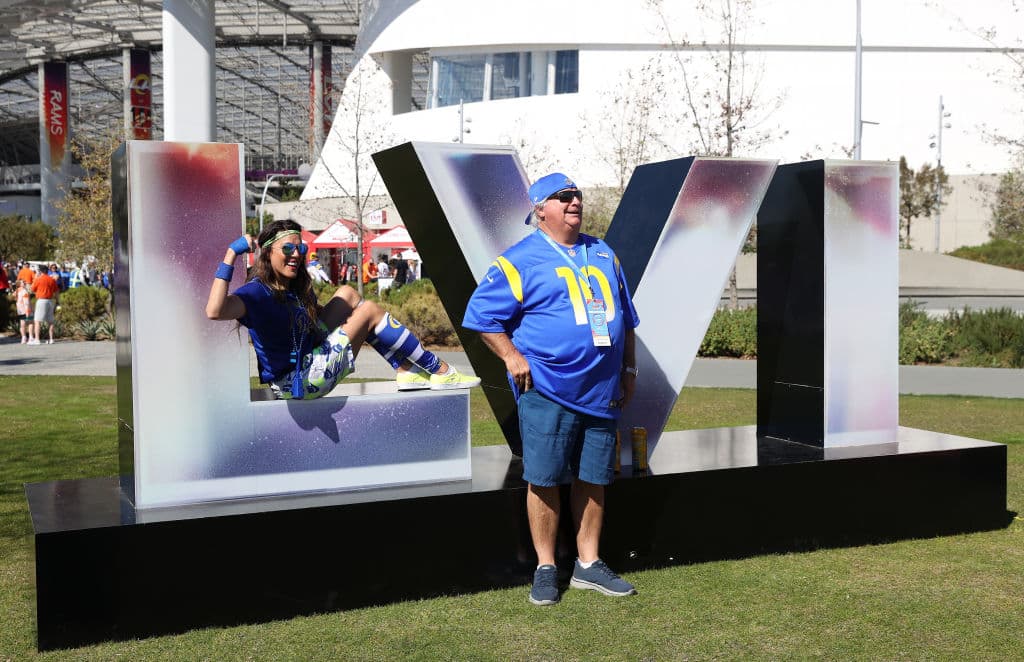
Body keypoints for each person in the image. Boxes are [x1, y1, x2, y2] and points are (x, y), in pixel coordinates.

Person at [463, 172, 640, 606]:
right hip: (548, 388)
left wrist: (629, 368)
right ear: (541, 209)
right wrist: (511, 356)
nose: (574, 201)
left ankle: (588, 563)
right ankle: (545, 567)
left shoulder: (602, 252)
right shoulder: (519, 259)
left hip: (601, 390)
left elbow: (626, 317)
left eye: (577, 194)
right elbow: (482, 317)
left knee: (593, 477)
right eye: (564, 197)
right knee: (543, 479)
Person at [206, 220, 480, 399]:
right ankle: (441, 370)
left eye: (300, 247)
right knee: (370, 311)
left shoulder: (296, 287)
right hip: (296, 383)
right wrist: (231, 254)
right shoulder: (256, 292)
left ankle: (405, 368)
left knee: (348, 294)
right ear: (267, 254)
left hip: (309, 359)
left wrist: (348, 322)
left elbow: (323, 318)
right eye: (287, 248)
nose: (296, 254)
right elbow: (215, 311)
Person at [30, 263, 60, 345]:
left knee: (37, 321)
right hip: (50, 301)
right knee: (50, 321)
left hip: (41, 300)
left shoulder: (38, 279)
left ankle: (37, 339)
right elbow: (56, 291)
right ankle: (51, 339)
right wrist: (58, 301)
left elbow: (32, 289)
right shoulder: (52, 280)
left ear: (40, 271)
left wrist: (35, 278)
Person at [15, 279, 34, 344]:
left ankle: (23, 337)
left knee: (22, 324)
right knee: (30, 323)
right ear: (20, 284)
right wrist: (28, 311)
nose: (24, 282)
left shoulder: (16, 291)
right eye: (23, 282)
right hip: (26, 309)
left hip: (20, 310)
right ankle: (31, 337)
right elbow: (26, 302)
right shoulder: (24, 291)